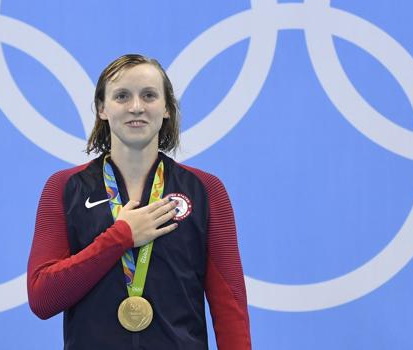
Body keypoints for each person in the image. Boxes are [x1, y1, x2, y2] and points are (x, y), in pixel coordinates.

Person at [27, 54, 250, 349]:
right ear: (102, 108)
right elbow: (42, 298)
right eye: (122, 96)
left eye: (149, 95)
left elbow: (230, 309)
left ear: (167, 108)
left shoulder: (205, 190)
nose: (136, 107)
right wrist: (121, 236)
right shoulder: (64, 187)